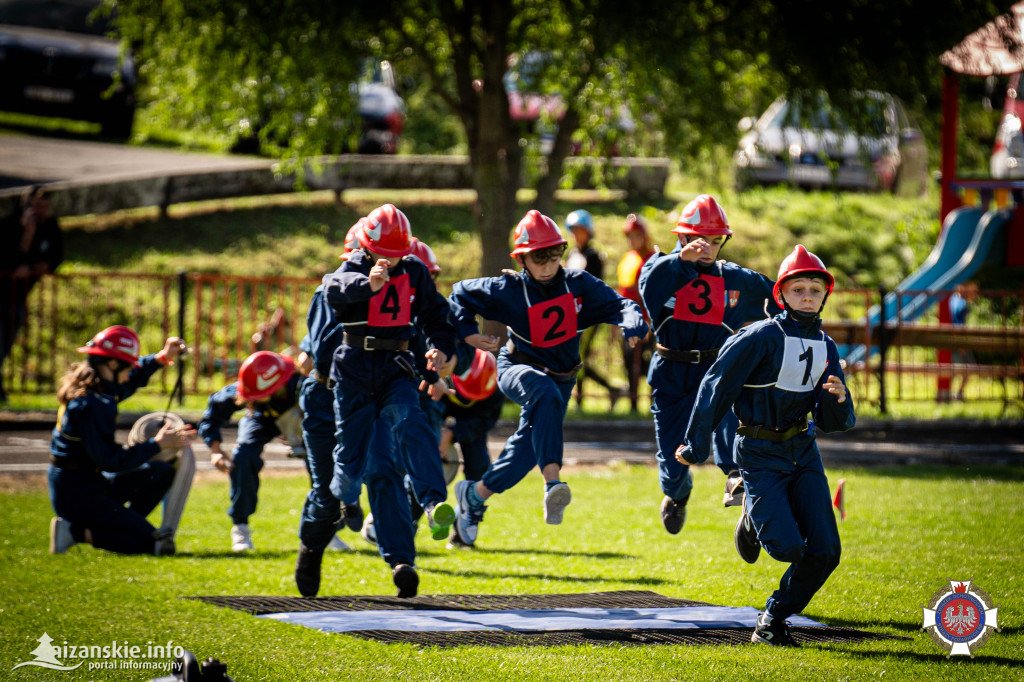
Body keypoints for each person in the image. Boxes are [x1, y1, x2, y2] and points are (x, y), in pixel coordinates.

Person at [676, 244, 855, 647]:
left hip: (804, 451)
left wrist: (838, 400)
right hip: (758, 453)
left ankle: (773, 617)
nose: (807, 295)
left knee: (826, 551)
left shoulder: (826, 345)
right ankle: (752, 516)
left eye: (815, 288)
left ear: (825, 294)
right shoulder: (759, 336)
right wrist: (695, 443)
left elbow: (832, 421)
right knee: (788, 547)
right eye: (798, 289)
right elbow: (715, 386)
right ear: (781, 295)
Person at [447, 210, 648, 546]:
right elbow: (459, 294)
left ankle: (473, 497)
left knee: (523, 454)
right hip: (516, 368)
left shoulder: (578, 284)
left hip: (562, 378)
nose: (548, 264)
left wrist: (632, 323)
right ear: (522, 259)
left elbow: (620, 303)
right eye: (539, 257)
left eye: (554, 255)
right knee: (544, 391)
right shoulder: (508, 288)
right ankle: (553, 483)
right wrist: (468, 334)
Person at [321, 203, 457, 598]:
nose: (392, 262)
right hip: (355, 372)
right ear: (366, 247)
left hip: (397, 370)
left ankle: (411, 545)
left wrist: (440, 352)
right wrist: (370, 285)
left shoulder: (414, 272)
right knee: (359, 465)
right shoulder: (353, 269)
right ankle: (345, 502)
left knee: (408, 422)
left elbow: (437, 318)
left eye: (399, 255)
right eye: (385, 255)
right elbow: (333, 291)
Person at [638, 194, 781, 537]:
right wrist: (681, 263)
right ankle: (677, 494)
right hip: (671, 372)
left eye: (717, 242)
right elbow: (648, 288)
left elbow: (781, 299)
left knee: (730, 427)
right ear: (682, 238)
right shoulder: (660, 268)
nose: (709, 249)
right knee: (672, 465)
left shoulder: (736, 279)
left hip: (717, 369)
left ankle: (739, 485)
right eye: (701, 241)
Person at [48, 325, 194, 555]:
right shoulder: (91, 405)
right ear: (113, 365)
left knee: (160, 471)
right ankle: (74, 532)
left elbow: (132, 379)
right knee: (155, 545)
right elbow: (110, 461)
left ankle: (124, 524)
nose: (129, 374)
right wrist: (157, 444)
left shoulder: (100, 388)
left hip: (92, 483)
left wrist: (160, 359)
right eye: (128, 366)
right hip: (77, 495)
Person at [198, 350, 304, 552]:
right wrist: (215, 450)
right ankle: (240, 527)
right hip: (261, 418)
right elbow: (211, 416)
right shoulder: (248, 388)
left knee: (321, 461)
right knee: (243, 455)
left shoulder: (302, 384)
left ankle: (328, 529)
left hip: (301, 419)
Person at [0, 185, 64, 403]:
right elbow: (8, 262)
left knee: (5, 346)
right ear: (25, 205)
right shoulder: (9, 225)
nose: (39, 211)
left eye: (44, 206)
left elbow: (55, 260)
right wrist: (26, 234)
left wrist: (32, 267)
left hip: (18, 300)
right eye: (35, 206)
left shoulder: (50, 227)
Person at [441, 348, 503, 548]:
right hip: (437, 419)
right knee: (423, 466)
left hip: (472, 427)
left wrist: (453, 431)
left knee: (480, 470)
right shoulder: (441, 371)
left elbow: (484, 422)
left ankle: (462, 531)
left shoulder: (496, 387)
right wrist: (440, 434)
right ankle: (407, 525)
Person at [564, 209, 622, 409]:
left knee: (580, 355)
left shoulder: (594, 256)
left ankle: (582, 397)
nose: (575, 234)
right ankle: (611, 390)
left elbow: (594, 287)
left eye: (579, 229)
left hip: (588, 314)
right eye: (573, 230)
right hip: (572, 313)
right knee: (576, 356)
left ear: (588, 231)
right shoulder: (572, 254)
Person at [615, 213, 656, 412]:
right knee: (629, 359)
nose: (632, 240)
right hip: (627, 319)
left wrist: (647, 319)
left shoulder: (651, 259)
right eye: (629, 236)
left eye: (636, 235)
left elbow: (649, 294)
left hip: (647, 321)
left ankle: (652, 401)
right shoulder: (628, 258)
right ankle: (632, 403)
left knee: (649, 361)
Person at [949, 281, 979, 401]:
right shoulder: (961, 303)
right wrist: (961, 343)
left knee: (955, 369)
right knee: (968, 368)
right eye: (974, 290)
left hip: (953, 340)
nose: (975, 293)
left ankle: (953, 393)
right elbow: (958, 324)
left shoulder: (953, 300)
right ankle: (957, 394)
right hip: (958, 341)